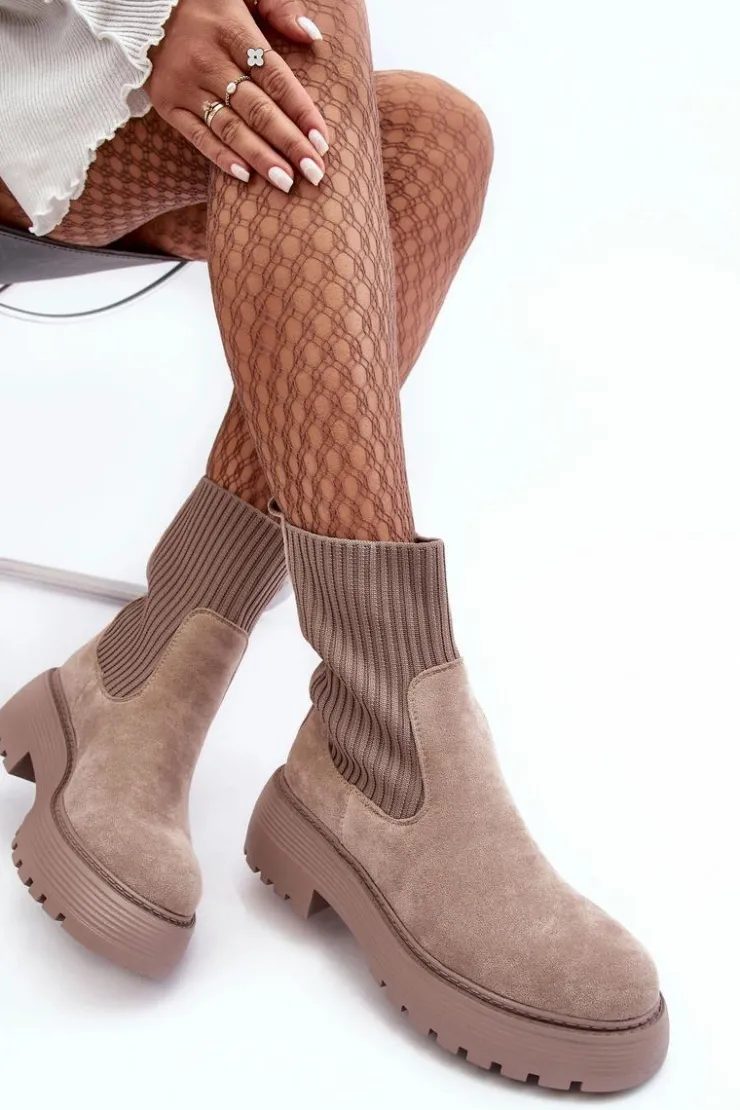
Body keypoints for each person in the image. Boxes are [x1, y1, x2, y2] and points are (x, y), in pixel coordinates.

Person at [0, 0, 668, 1092]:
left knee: (433, 142)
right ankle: (380, 734)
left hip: (103, 80)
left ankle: (156, 667)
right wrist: (153, 15)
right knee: (297, 27)